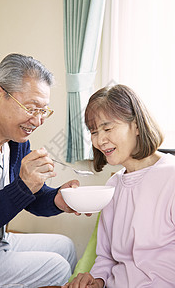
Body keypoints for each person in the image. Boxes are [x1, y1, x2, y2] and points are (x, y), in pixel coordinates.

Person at [0, 53, 79, 288]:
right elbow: (20, 191)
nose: (38, 121)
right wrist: (22, 186)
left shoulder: (16, 139)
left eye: (43, 111)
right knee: (57, 267)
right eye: (31, 108)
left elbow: (31, 196)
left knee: (67, 246)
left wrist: (58, 200)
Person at [64, 84, 175, 288]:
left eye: (107, 128)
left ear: (137, 125)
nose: (100, 140)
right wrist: (97, 280)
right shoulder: (113, 185)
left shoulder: (171, 177)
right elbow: (105, 257)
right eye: (94, 131)